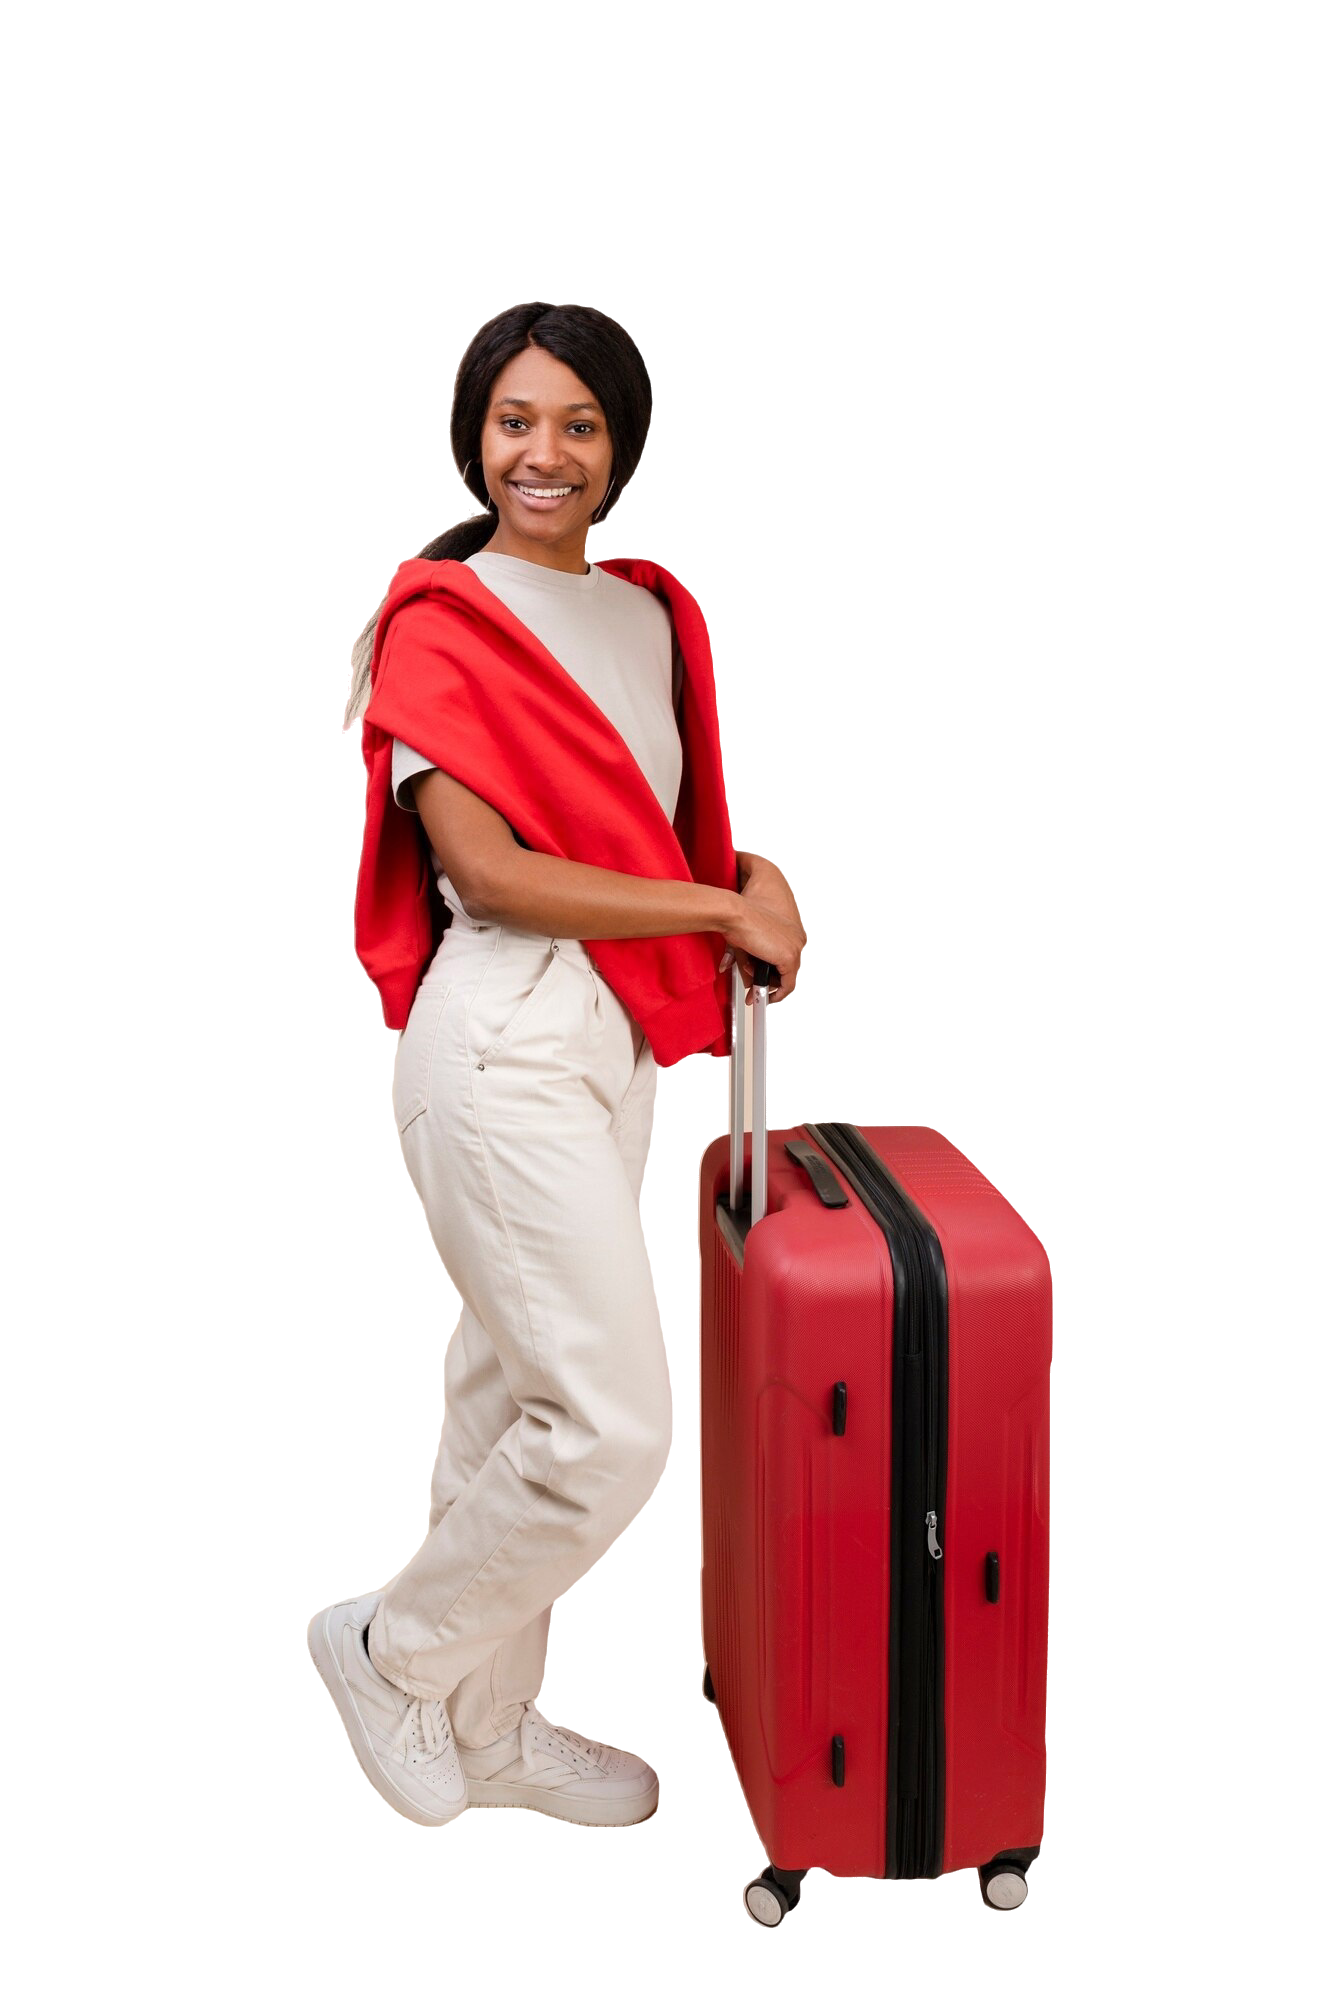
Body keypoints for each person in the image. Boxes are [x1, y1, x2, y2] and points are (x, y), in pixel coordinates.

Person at [309, 300, 808, 1835]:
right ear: (470, 434)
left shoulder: (654, 613)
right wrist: (722, 904)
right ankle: (385, 1647)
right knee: (618, 1433)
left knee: (497, 1399)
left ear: (625, 448)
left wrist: (761, 872)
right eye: (513, 419)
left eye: (578, 423)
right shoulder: (438, 618)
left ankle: (496, 1725)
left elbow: (664, 827)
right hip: (503, 1033)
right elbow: (496, 872)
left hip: (607, 1052)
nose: (543, 452)